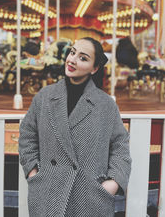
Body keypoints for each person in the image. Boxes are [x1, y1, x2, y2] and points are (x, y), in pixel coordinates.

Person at [19, 37, 131, 217]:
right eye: (72, 52)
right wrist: (34, 173)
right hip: (48, 194)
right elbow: (27, 134)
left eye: (83, 58)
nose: (72, 60)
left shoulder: (105, 105)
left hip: (89, 197)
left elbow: (120, 147)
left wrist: (112, 184)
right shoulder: (45, 97)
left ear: (95, 68)